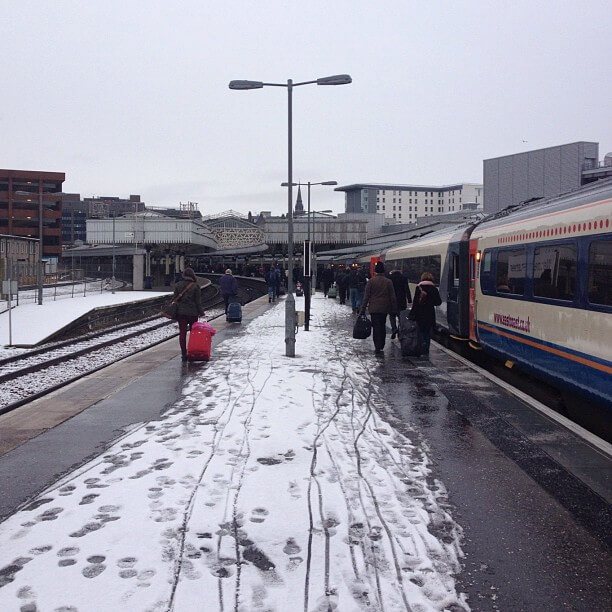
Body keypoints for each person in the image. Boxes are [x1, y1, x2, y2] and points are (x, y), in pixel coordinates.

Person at [360, 261, 397, 355]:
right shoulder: (388, 282)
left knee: (376, 327)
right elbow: (392, 296)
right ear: (383, 271)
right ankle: (382, 344)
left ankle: (377, 345)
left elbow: (366, 296)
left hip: (374, 308)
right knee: (382, 325)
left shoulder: (371, 281)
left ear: (375, 271)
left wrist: (362, 309)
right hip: (384, 308)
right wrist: (394, 309)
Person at [174, 267, 204, 360]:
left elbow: (175, 299)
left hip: (181, 313)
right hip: (193, 313)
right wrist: (201, 312)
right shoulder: (195, 286)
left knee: (182, 333)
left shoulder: (178, 285)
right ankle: (192, 351)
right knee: (193, 333)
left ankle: (183, 354)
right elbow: (198, 302)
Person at [409, 271, 442, 355]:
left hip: (419, 314)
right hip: (429, 314)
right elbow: (438, 302)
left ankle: (421, 346)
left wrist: (411, 314)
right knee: (427, 332)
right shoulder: (434, 288)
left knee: (420, 331)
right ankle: (426, 348)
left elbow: (415, 303)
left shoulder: (419, 287)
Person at [388, 269, 412, 339]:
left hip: (391, 300)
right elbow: (407, 289)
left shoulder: (389, 278)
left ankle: (394, 329)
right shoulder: (403, 278)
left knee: (392, 316)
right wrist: (409, 300)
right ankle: (400, 332)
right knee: (401, 317)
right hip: (401, 300)